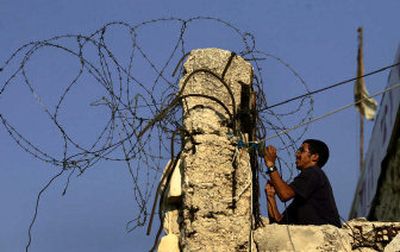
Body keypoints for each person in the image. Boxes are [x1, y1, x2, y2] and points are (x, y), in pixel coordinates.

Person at [264, 139, 341, 227]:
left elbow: (285, 194)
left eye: (301, 151)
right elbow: (279, 222)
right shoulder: (303, 197)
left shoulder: (314, 173)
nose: (297, 154)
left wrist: (270, 164)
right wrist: (270, 196)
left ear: (314, 157)